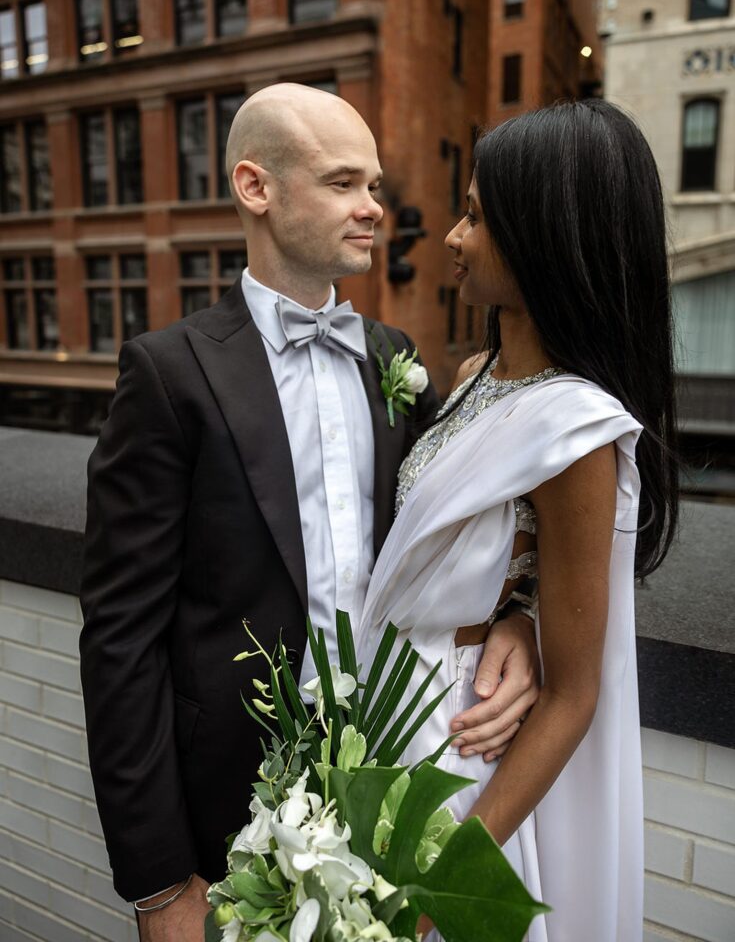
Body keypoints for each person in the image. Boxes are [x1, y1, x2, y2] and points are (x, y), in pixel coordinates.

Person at [78, 84, 541, 942]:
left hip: (390, 778)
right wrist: (155, 883)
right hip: (227, 819)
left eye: (373, 185)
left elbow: (456, 538)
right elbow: (120, 638)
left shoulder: (394, 360)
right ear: (257, 188)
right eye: (342, 184)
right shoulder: (168, 374)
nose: (374, 209)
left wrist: (513, 617)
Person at [355, 98, 679, 942]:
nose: (452, 239)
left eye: (472, 217)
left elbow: (574, 696)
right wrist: (515, 613)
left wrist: (441, 886)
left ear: (544, 238)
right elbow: (493, 548)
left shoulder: (577, 431)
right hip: (390, 719)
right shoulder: (469, 377)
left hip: (470, 758)